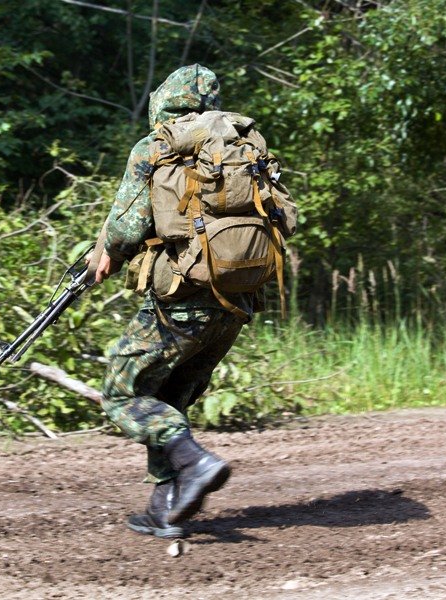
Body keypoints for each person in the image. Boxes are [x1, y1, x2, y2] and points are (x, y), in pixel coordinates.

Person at [92, 65, 258, 539]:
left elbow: (125, 229)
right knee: (170, 396)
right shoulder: (241, 143)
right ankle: (167, 507)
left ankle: (195, 463)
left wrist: (109, 252)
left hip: (183, 298)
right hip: (237, 299)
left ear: (164, 100)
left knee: (123, 392)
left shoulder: (158, 146)